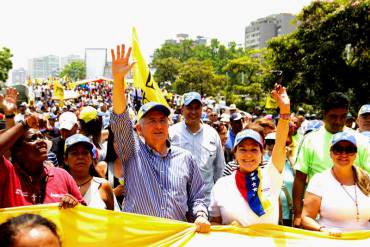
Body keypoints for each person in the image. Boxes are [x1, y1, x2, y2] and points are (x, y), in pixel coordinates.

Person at [109, 44, 210, 233]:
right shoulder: (132, 152)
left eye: (162, 120)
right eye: (151, 121)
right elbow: (121, 119)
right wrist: (118, 79)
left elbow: (197, 196)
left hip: (176, 240)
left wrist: (201, 214)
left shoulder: (185, 158)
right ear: (138, 128)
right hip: (139, 240)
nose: (158, 125)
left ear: (168, 125)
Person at [209, 84, 290, 226]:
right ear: (234, 153)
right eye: (243, 149)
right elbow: (215, 223)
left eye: (254, 149)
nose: (248, 155)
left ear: (262, 153)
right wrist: (228, 228)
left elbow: (280, 145)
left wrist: (284, 112)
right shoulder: (222, 185)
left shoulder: (271, 175)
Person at [293, 92, 370, 228]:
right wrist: (298, 214)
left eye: (343, 117)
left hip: (358, 220)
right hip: (318, 219)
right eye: (333, 116)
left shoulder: (361, 141)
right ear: (324, 114)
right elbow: (300, 178)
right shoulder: (310, 140)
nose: (338, 121)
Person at [302, 132, 370, 234]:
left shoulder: (366, 178)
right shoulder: (319, 180)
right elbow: (306, 218)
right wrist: (324, 230)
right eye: (338, 149)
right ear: (330, 153)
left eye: (349, 150)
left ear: (356, 154)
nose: (344, 154)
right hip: (332, 240)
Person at [169, 91, 225, 205]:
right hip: (178, 203)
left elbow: (219, 169)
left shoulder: (212, 134)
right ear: (182, 110)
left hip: (207, 202)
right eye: (189, 108)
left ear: (202, 109)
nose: (193, 112)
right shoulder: (171, 133)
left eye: (197, 108)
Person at [64, 134, 116, 210]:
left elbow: (112, 217)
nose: (80, 157)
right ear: (65, 160)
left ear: (92, 158)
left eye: (85, 153)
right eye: (74, 153)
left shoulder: (103, 186)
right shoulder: (60, 185)